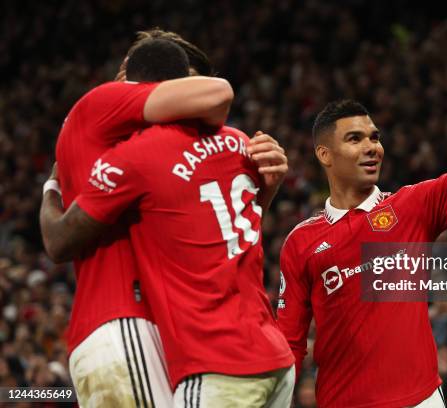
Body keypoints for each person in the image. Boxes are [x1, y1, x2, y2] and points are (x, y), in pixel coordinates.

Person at [40, 43, 295, 407]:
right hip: (126, 323)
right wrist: (51, 187)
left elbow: (222, 235)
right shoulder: (108, 111)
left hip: (179, 339)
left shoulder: (165, 145)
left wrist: (265, 187)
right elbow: (59, 241)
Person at [277, 43, 447, 407]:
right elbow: (289, 343)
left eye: (375, 137)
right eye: (355, 139)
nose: (372, 146)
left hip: (419, 400)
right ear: (325, 154)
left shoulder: (412, 207)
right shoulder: (301, 241)